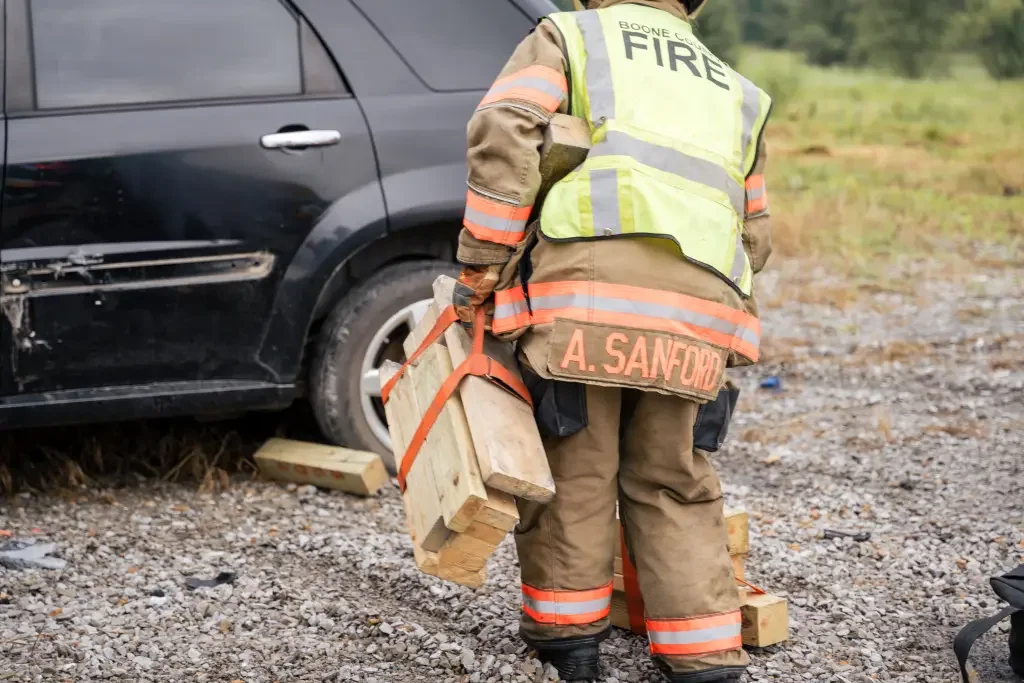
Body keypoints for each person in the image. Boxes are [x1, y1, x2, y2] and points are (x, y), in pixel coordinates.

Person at [452, 1, 772, 680]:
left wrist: (483, 261)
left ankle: (570, 645)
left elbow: (505, 128)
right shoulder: (732, 86)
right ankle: (705, 657)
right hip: (696, 317)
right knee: (673, 476)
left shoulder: (569, 37)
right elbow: (756, 229)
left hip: (586, 302)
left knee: (577, 466)